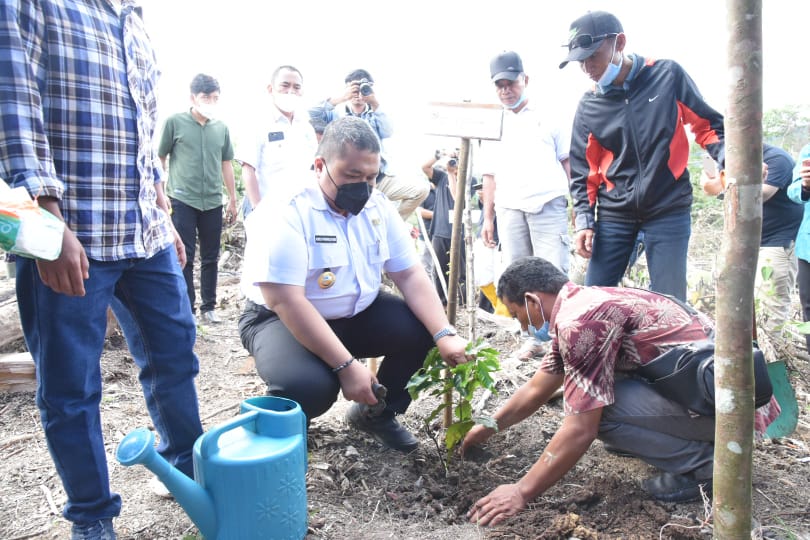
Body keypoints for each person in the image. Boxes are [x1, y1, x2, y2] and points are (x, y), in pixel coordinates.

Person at [0, 2, 204, 539]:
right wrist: (46, 225)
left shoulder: (133, 17)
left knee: (176, 353)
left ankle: (186, 466)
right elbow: (14, 105)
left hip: (146, 230)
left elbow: (139, 133)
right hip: (71, 231)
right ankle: (92, 516)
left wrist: (162, 210)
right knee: (71, 387)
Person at [461, 257, 779, 526]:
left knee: (598, 410)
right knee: (590, 399)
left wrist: (521, 491)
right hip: (720, 396)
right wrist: (485, 428)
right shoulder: (585, 302)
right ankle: (690, 443)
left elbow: (579, 430)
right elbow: (537, 388)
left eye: (518, 315)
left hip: (731, 410)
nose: (525, 328)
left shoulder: (580, 322)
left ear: (532, 299)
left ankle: (709, 466)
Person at [238, 116, 470, 452]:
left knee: (424, 329)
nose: (361, 186)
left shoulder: (377, 206)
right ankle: (280, 433)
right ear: (320, 165)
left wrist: (444, 333)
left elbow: (408, 273)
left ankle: (375, 415)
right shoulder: (285, 209)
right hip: (280, 320)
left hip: (355, 313)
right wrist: (346, 367)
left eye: (370, 177)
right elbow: (285, 300)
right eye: (350, 176)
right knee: (309, 387)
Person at [561, 11, 725, 302]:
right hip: (615, 214)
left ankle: (671, 349)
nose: (587, 67)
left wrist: (731, 160)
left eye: (593, 56)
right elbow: (583, 172)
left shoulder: (666, 76)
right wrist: (585, 221)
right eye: (580, 61)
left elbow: (707, 126)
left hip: (668, 208)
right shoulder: (589, 106)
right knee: (592, 299)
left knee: (670, 302)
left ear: (619, 42)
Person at [481, 50, 572, 359]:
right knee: (515, 279)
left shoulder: (550, 115)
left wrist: (577, 207)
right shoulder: (493, 123)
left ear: (525, 80)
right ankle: (532, 338)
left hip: (548, 204)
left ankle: (562, 339)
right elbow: (489, 176)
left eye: (511, 83)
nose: (506, 90)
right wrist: (488, 218)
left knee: (553, 275)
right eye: (500, 85)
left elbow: (568, 162)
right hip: (509, 208)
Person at [159, 73, 237, 324]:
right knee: (185, 255)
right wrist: (160, 193)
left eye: (215, 98)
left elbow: (226, 164)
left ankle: (209, 307)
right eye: (206, 97)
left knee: (211, 256)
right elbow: (160, 157)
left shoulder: (221, 128)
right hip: (182, 198)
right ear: (193, 97)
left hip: (213, 200)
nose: (210, 102)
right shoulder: (175, 123)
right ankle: (187, 307)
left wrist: (233, 198)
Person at [702, 144, 801, 335]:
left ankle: (770, 358)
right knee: (731, 300)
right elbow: (708, 187)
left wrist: (725, 182)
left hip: (776, 241)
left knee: (770, 303)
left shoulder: (776, 159)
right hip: (740, 241)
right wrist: (717, 180)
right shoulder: (726, 160)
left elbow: (758, 195)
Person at [308, 68, 429, 220]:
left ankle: (388, 224)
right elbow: (309, 114)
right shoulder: (336, 114)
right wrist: (340, 98)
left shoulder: (376, 114)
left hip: (376, 178)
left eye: (363, 88)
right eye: (354, 89)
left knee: (420, 190)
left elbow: (388, 131)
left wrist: (374, 103)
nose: (358, 94)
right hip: (346, 179)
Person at [238, 65, 318, 218]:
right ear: (270, 89)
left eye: (296, 87)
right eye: (285, 85)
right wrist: (258, 209)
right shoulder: (257, 123)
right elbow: (248, 168)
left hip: (302, 211)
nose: (291, 91)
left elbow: (314, 168)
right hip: (269, 210)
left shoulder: (306, 126)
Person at [421, 152, 465, 305]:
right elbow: (425, 167)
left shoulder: (466, 179)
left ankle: (461, 304)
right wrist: (439, 154)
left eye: (458, 161)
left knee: (460, 271)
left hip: (459, 233)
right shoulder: (441, 177)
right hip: (440, 231)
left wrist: (453, 175)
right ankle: (443, 303)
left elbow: (456, 197)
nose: (454, 164)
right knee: (438, 270)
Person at [787, 143, 810, 352]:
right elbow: (793, 191)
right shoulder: (808, 150)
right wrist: (805, 185)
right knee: (809, 308)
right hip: (808, 247)